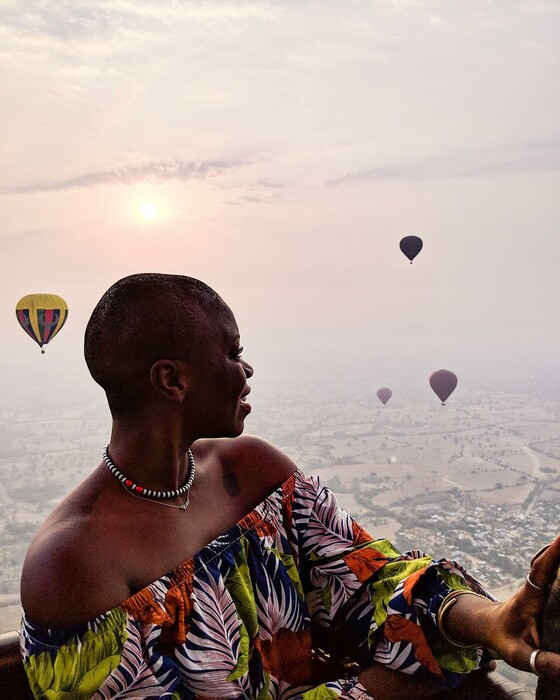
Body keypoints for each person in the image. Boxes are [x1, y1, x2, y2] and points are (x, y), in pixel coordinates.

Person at [19, 273, 560, 699]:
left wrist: (488, 620)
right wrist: (386, 689)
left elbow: (372, 577)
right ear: (172, 380)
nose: (246, 368)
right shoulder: (71, 563)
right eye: (232, 352)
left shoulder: (254, 472)